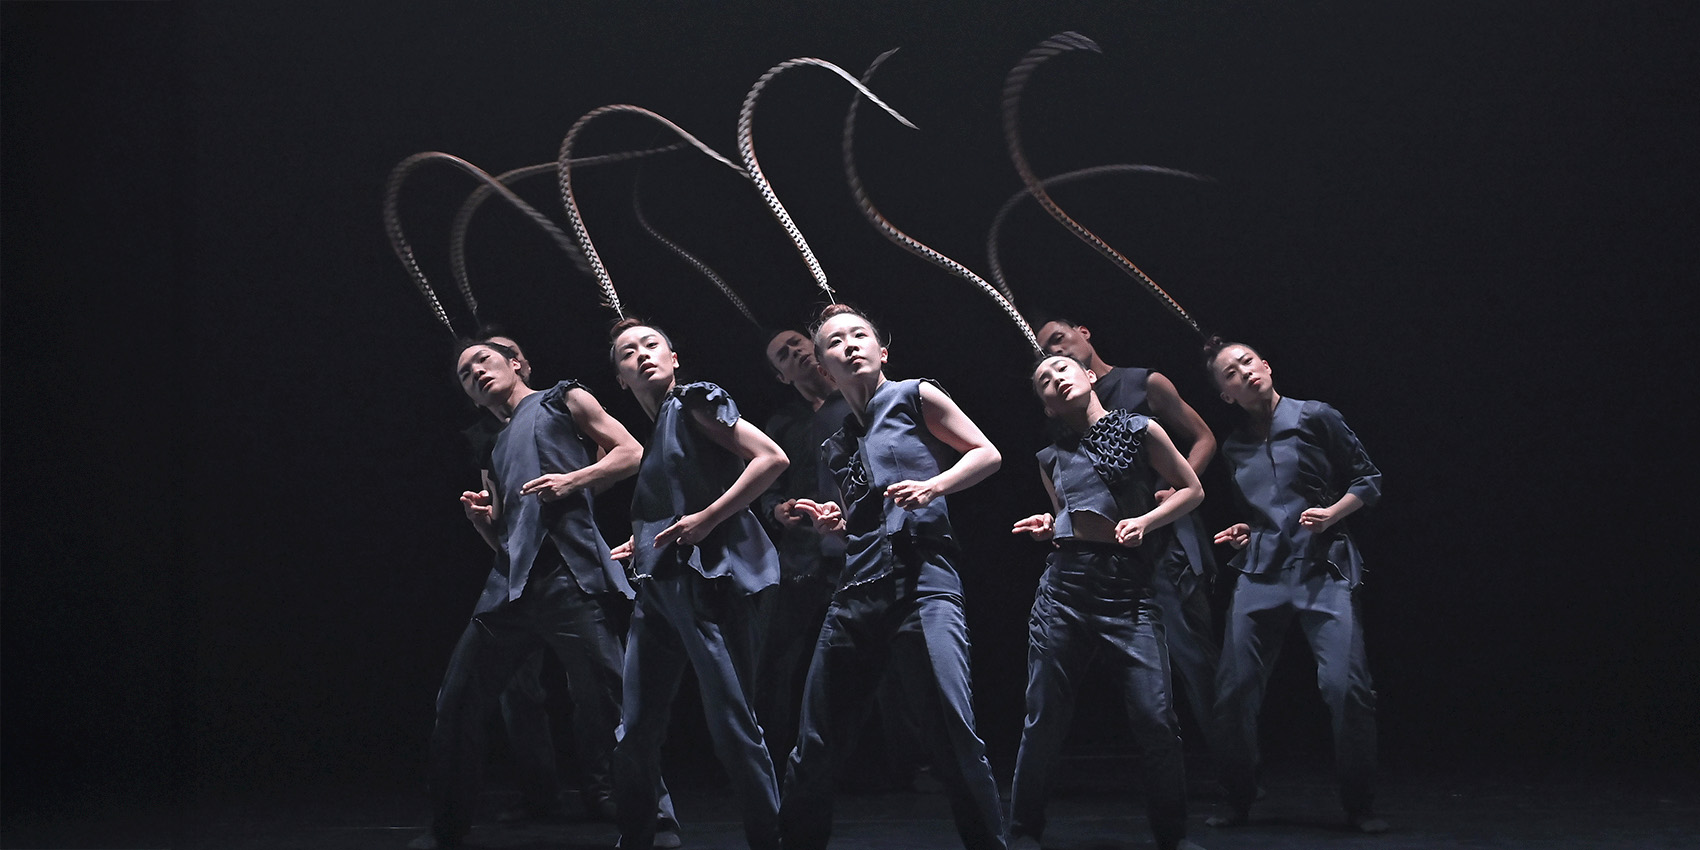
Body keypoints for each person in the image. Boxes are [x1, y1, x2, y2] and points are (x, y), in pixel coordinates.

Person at [780, 304, 1007, 850]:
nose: (850, 345)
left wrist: (934, 487)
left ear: (883, 351)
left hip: (923, 581)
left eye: (861, 335)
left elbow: (987, 453)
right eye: (836, 341)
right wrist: (829, 520)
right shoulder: (835, 445)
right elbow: (855, 521)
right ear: (823, 367)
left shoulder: (913, 395)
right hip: (856, 591)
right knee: (815, 741)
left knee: (951, 732)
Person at [414, 339, 654, 849]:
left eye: (483, 360)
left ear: (517, 363)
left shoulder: (562, 398)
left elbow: (631, 452)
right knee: (456, 704)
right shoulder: (496, 445)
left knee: (613, 706)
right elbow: (505, 535)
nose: (475, 372)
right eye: (464, 374)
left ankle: (653, 827)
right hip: (509, 590)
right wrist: (482, 522)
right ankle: (447, 830)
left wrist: (574, 480)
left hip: (569, 579)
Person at [1007, 354, 1207, 850]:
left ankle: (1172, 836)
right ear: (1047, 408)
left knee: (1155, 718)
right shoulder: (1049, 459)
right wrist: (1048, 526)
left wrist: (1147, 522)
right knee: (1044, 717)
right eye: (1044, 382)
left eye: (1062, 369)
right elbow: (1068, 517)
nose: (1055, 379)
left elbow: (1192, 489)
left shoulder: (1142, 429)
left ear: (1090, 376)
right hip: (1065, 590)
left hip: (1128, 592)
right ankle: (1023, 830)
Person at [606, 318, 789, 850]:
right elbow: (670, 506)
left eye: (651, 345)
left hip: (709, 584)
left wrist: (709, 517)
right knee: (635, 729)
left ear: (674, 357)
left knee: (733, 725)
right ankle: (640, 836)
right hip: (659, 589)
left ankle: (768, 839)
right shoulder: (658, 426)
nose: (640, 355)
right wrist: (640, 543)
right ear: (619, 377)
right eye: (626, 353)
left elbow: (772, 458)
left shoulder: (693, 403)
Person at [1202, 338, 1386, 834]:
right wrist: (1244, 531)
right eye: (1230, 374)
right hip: (1261, 573)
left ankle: (1359, 803)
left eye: (1247, 362)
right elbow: (1260, 511)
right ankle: (1238, 798)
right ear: (1226, 396)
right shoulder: (1234, 448)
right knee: (1233, 690)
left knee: (1346, 687)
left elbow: (1368, 481)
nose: (1243, 372)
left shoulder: (1316, 416)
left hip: (1323, 569)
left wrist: (1331, 514)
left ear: (1265, 364)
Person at [1033, 317, 1222, 757]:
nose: (1054, 355)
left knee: (1194, 658)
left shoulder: (1143, 383)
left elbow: (1204, 438)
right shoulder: (1064, 408)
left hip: (1166, 543)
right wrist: (1055, 523)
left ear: (1086, 331)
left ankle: (1235, 782)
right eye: (1045, 353)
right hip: (1104, 564)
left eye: (1058, 339)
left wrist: (1171, 488)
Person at [752, 329, 852, 773]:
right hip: (802, 558)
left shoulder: (857, 402)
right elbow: (769, 490)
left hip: (856, 548)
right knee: (785, 662)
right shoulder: (782, 423)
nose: (795, 352)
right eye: (783, 354)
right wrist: (779, 510)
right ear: (779, 375)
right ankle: (777, 760)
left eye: (797, 342)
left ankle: (896, 766)